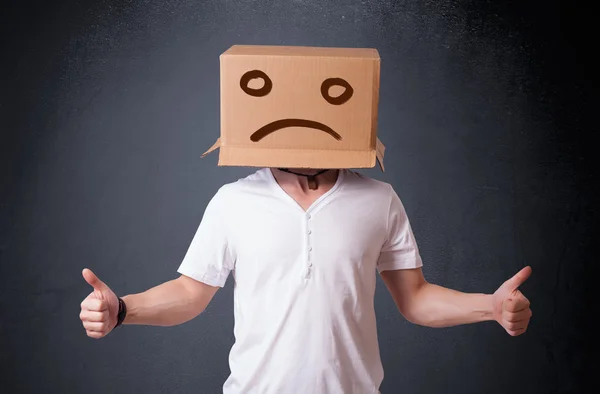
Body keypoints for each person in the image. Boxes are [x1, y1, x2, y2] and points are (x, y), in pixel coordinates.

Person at [79, 167, 532, 394]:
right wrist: (122, 310)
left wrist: (489, 308)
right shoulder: (234, 201)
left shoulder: (378, 198)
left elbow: (415, 299)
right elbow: (190, 293)